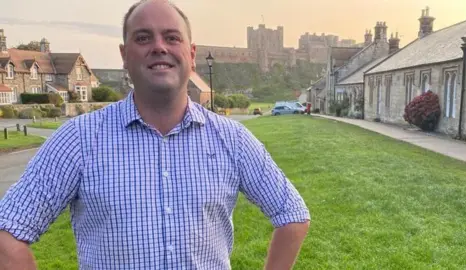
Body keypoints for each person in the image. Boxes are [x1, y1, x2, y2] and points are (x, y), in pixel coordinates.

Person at [0, 0, 310, 269]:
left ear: (191, 54)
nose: (159, 46)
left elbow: (292, 214)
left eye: (171, 37)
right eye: (143, 37)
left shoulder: (232, 139)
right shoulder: (79, 140)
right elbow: (7, 235)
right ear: (124, 54)